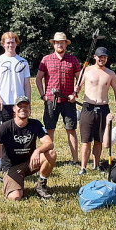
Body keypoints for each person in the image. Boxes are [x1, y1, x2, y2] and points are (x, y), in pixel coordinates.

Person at [0, 96, 56, 200]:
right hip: (11, 167)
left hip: (30, 163)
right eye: (19, 106)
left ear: (29, 110)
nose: (23, 109)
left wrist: (38, 151)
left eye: (25, 106)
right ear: (14, 109)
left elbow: (49, 143)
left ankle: (41, 185)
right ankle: (10, 182)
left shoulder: (35, 124)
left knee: (51, 154)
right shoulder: (5, 127)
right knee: (15, 197)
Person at [36, 32, 81, 164]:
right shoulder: (46, 59)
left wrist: (75, 94)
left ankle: (75, 159)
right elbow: (38, 78)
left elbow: (80, 80)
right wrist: (43, 95)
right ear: (54, 44)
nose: (60, 44)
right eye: (57, 42)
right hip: (51, 101)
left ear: (66, 44)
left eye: (62, 42)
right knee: (49, 129)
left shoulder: (72, 60)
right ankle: (48, 158)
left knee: (71, 129)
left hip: (68, 100)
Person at [0, 32, 31, 171]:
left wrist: (27, 103)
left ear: (16, 43)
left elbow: (27, 85)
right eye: (7, 42)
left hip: (18, 104)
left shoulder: (23, 62)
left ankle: (16, 160)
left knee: (18, 134)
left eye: (13, 42)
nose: (10, 45)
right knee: (1, 133)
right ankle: (0, 161)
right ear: (3, 44)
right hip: (3, 104)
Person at [75, 47, 116, 175]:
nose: (102, 59)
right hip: (88, 107)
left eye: (104, 57)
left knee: (99, 140)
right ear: (95, 57)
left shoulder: (110, 74)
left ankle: (96, 165)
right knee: (86, 139)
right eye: (100, 57)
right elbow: (78, 88)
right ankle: (83, 167)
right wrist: (76, 90)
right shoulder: (86, 70)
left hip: (103, 108)